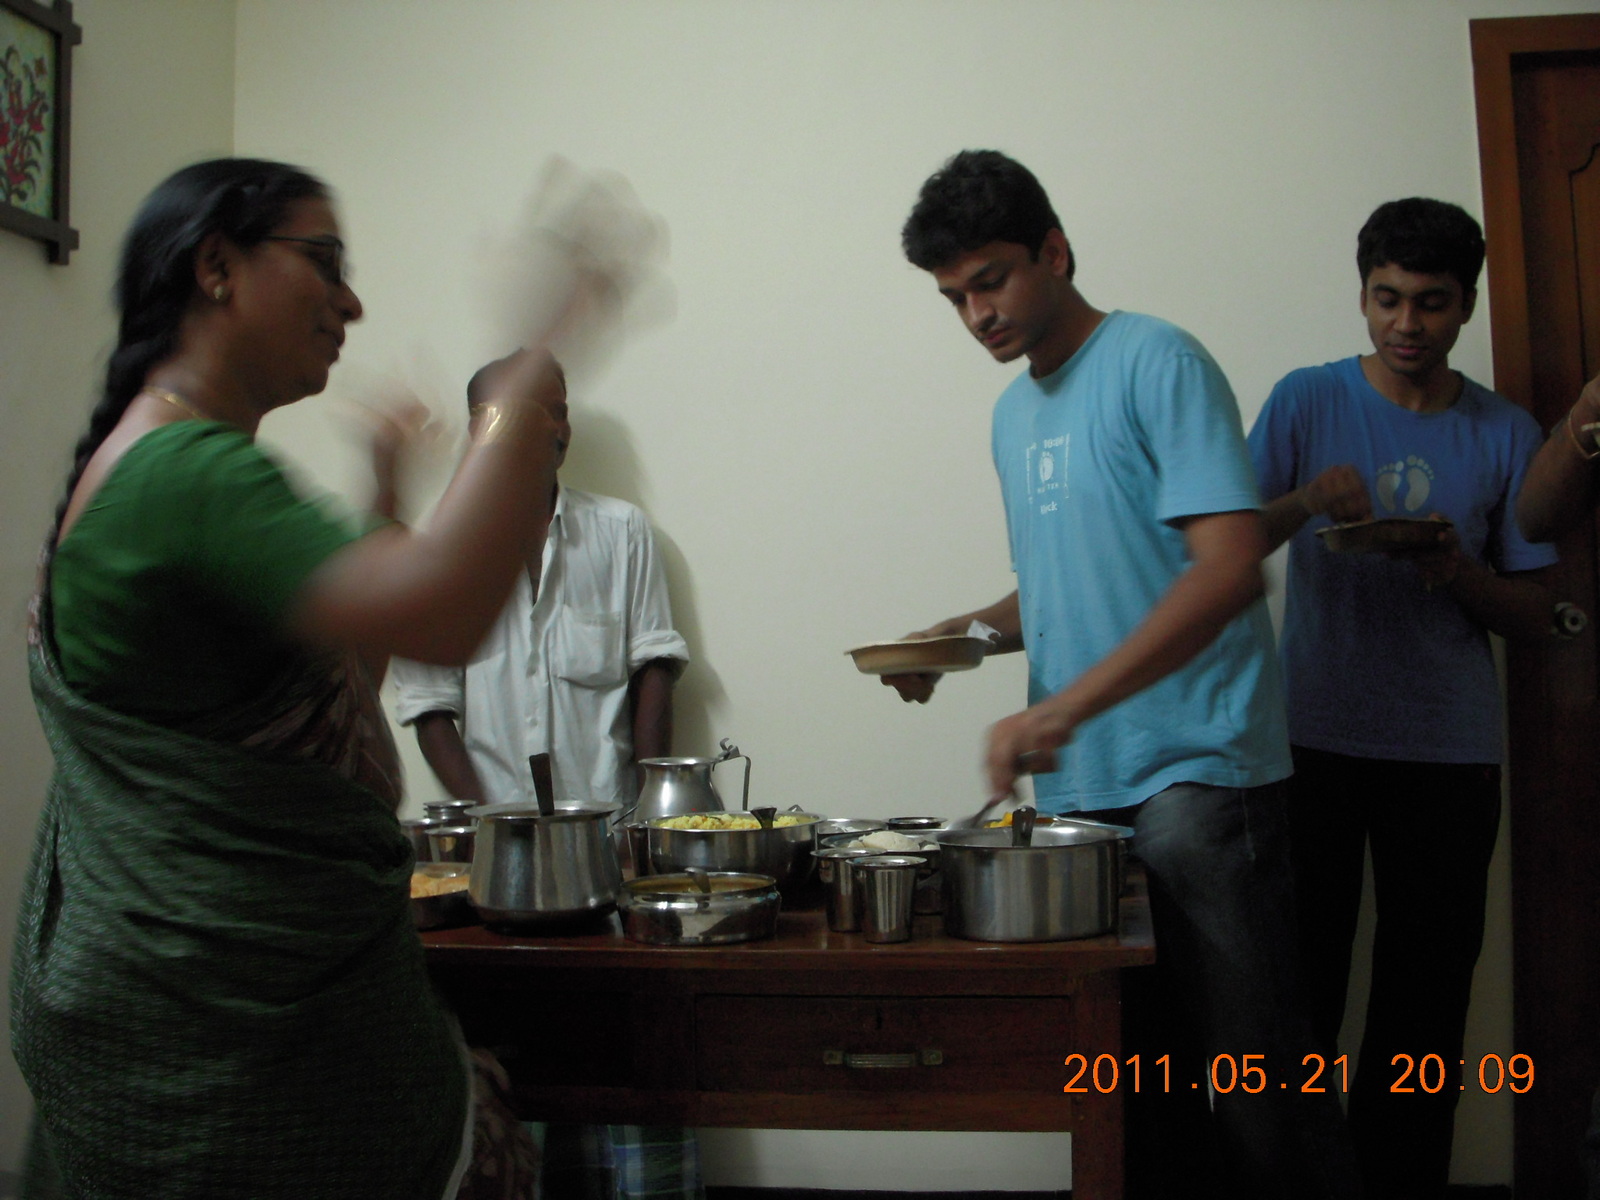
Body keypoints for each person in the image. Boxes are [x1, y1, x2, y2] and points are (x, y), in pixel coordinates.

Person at [8, 156, 632, 1200]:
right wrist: (531, 374)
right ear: (217, 266)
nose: (351, 302)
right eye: (325, 262)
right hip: (229, 1048)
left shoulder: (166, 463)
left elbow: (337, 687)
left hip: (192, 1008)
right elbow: (446, 611)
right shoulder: (182, 474)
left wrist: (384, 495)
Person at [890, 149, 1357, 1199]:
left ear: (1055, 252)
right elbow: (1064, 586)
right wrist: (961, 638)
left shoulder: (1158, 360)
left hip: (1199, 778)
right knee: (1134, 1095)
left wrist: (1062, 708)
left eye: (992, 281)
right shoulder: (1013, 415)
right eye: (954, 297)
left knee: (1261, 1093)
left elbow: (1227, 567)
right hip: (1082, 804)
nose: (976, 315)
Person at [1247, 197, 1557, 1200]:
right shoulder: (1305, 399)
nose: (1405, 324)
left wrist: (1453, 570)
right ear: (1362, 295)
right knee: (1297, 993)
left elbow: (1538, 614)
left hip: (1448, 755)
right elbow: (1228, 545)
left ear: (1466, 304)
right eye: (1386, 299)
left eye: (1431, 302)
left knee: (1424, 1009)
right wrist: (1304, 501)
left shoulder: (1507, 431)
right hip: (1310, 742)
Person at [393, 352, 697, 1200]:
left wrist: (644, 816)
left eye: (560, 408)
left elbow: (655, 669)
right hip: (490, 873)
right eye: (530, 410)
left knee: (631, 1062)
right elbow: (429, 708)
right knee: (515, 1058)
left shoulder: (621, 532)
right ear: (479, 430)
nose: (554, 426)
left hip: (610, 855)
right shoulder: (436, 550)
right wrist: (493, 832)